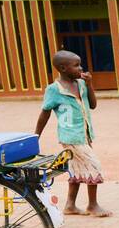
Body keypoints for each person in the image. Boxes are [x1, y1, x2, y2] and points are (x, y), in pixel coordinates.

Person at [35, 50, 111, 217]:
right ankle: (93, 205)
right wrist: (36, 136)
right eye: (76, 65)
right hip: (70, 137)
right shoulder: (54, 90)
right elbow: (45, 113)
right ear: (63, 68)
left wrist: (90, 84)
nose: (80, 68)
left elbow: (93, 105)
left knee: (76, 169)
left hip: (84, 134)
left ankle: (70, 205)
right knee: (93, 165)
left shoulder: (81, 84)